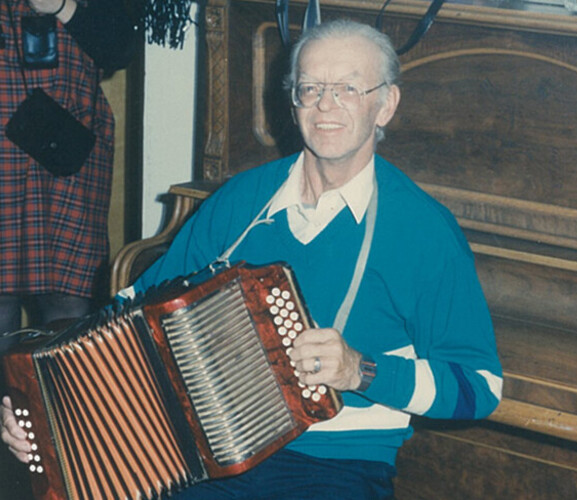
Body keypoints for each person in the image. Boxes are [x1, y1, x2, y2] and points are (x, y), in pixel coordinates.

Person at [1, 19, 502, 499]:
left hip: (334, 462)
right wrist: (42, 419)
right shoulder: (242, 200)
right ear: (293, 102)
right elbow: (127, 316)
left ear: (386, 104)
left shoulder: (423, 229)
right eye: (310, 88)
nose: (326, 105)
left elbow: (479, 387)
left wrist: (360, 371)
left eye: (349, 89)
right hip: (198, 450)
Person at [0, 0, 137, 353]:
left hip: (66, 153)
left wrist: (61, 6)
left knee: (69, 299)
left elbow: (121, 47)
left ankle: (58, 407)